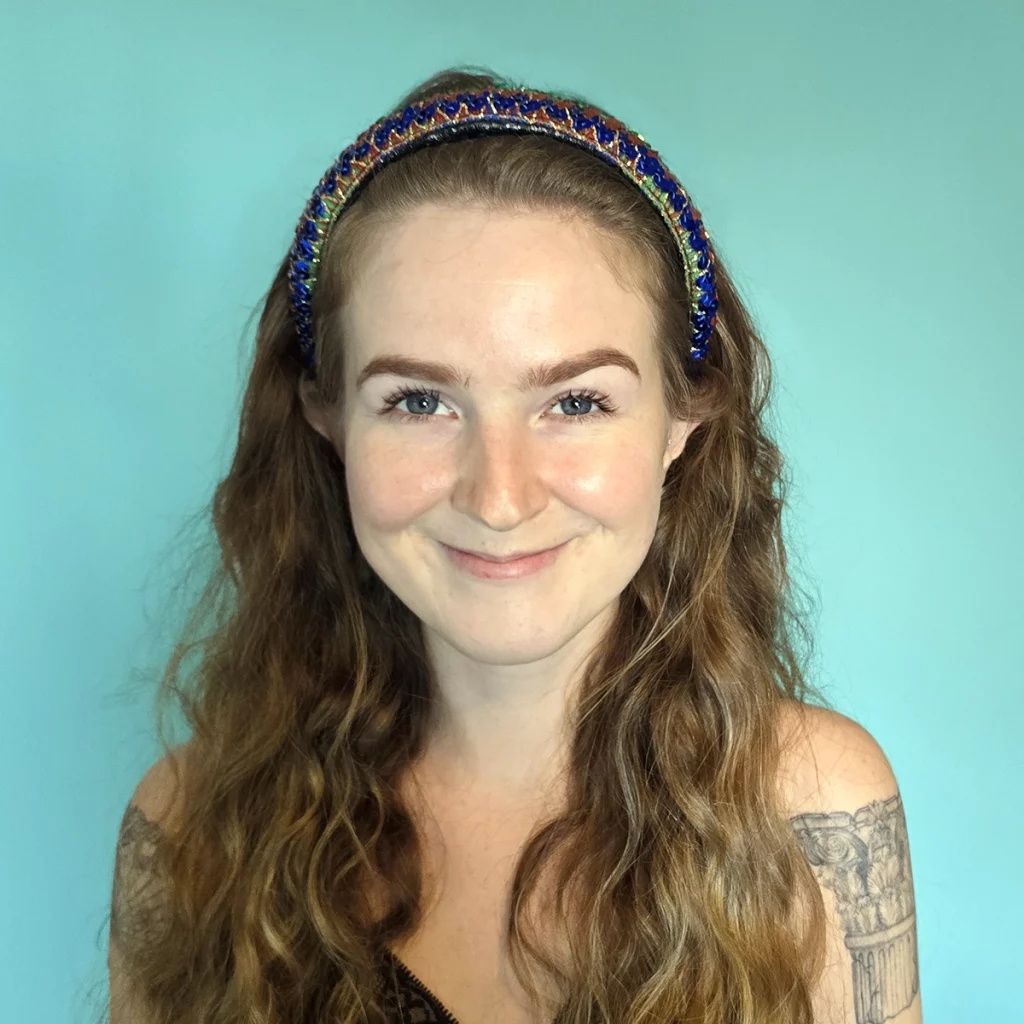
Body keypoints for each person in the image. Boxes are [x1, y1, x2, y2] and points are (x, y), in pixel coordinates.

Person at [105, 67, 922, 1024]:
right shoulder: (187, 826)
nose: (498, 496)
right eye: (417, 401)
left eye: (576, 402)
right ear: (326, 419)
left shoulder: (818, 811)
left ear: (683, 418)